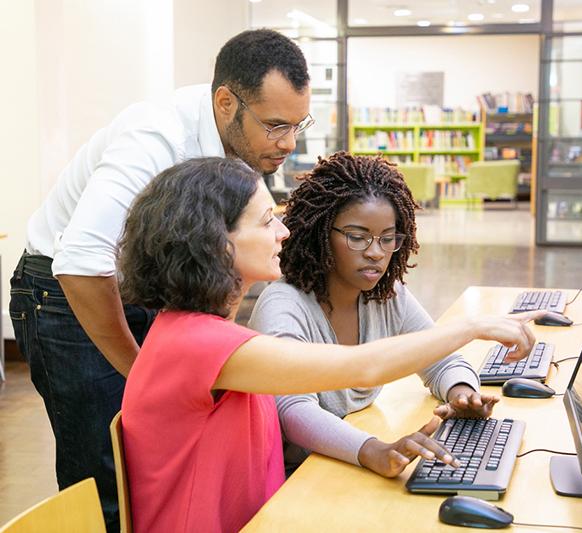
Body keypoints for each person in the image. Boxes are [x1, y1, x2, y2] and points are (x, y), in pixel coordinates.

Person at [118, 157, 540, 532]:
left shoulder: (197, 331)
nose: (284, 231)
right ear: (215, 241)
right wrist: (472, 327)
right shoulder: (199, 343)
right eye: (267, 221)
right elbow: (362, 368)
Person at [8, 29, 312, 531]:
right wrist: (142, 372)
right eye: (276, 125)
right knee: (107, 475)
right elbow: (80, 263)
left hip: (136, 283)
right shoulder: (155, 136)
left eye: (299, 125)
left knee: (161, 457)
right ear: (225, 102)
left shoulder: (246, 143)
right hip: (63, 292)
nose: (289, 143)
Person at [248, 152, 500, 477]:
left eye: (387, 238)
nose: (376, 252)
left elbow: (442, 360)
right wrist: (373, 450)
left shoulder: (386, 295)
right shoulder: (283, 305)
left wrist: (463, 394)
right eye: (357, 237)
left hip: (351, 467)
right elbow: (293, 409)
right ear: (321, 233)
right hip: (295, 477)